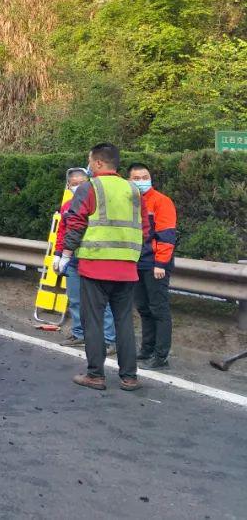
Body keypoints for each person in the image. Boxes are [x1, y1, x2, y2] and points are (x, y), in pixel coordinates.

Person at [60, 143, 149, 392]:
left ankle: (96, 375)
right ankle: (129, 377)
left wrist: (66, 254)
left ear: (98, 163)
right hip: (126, 268)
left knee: (94, 321)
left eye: (90, 161)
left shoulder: (90, 187)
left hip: (95, 266)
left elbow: (75, 223)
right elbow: (144, 228)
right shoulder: (132, 189)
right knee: (124, 323)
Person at [55, 168, 116, 353]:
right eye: (73, 183)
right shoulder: (66, 206)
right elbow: (63, 232)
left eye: (81, 182)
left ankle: (109, 339)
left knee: (100, 301)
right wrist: (58, 255)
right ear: (68, 185)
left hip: (94, 257)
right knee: (75, 299)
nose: (78, 186)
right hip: (73, 258)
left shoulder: (97, 202)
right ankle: (79, 333)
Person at [127, 163, 176, 369]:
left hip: (155, 264)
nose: (140, 181)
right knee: (144, 309)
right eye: (136, 178)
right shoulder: (130, 201)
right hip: (136, 262)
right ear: (129, 180)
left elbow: (166, 235)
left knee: (159, 309)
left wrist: (161, 263)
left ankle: (161, 355)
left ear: (150, 178)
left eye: (144, 177)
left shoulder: (161, 201)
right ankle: (147, 349)